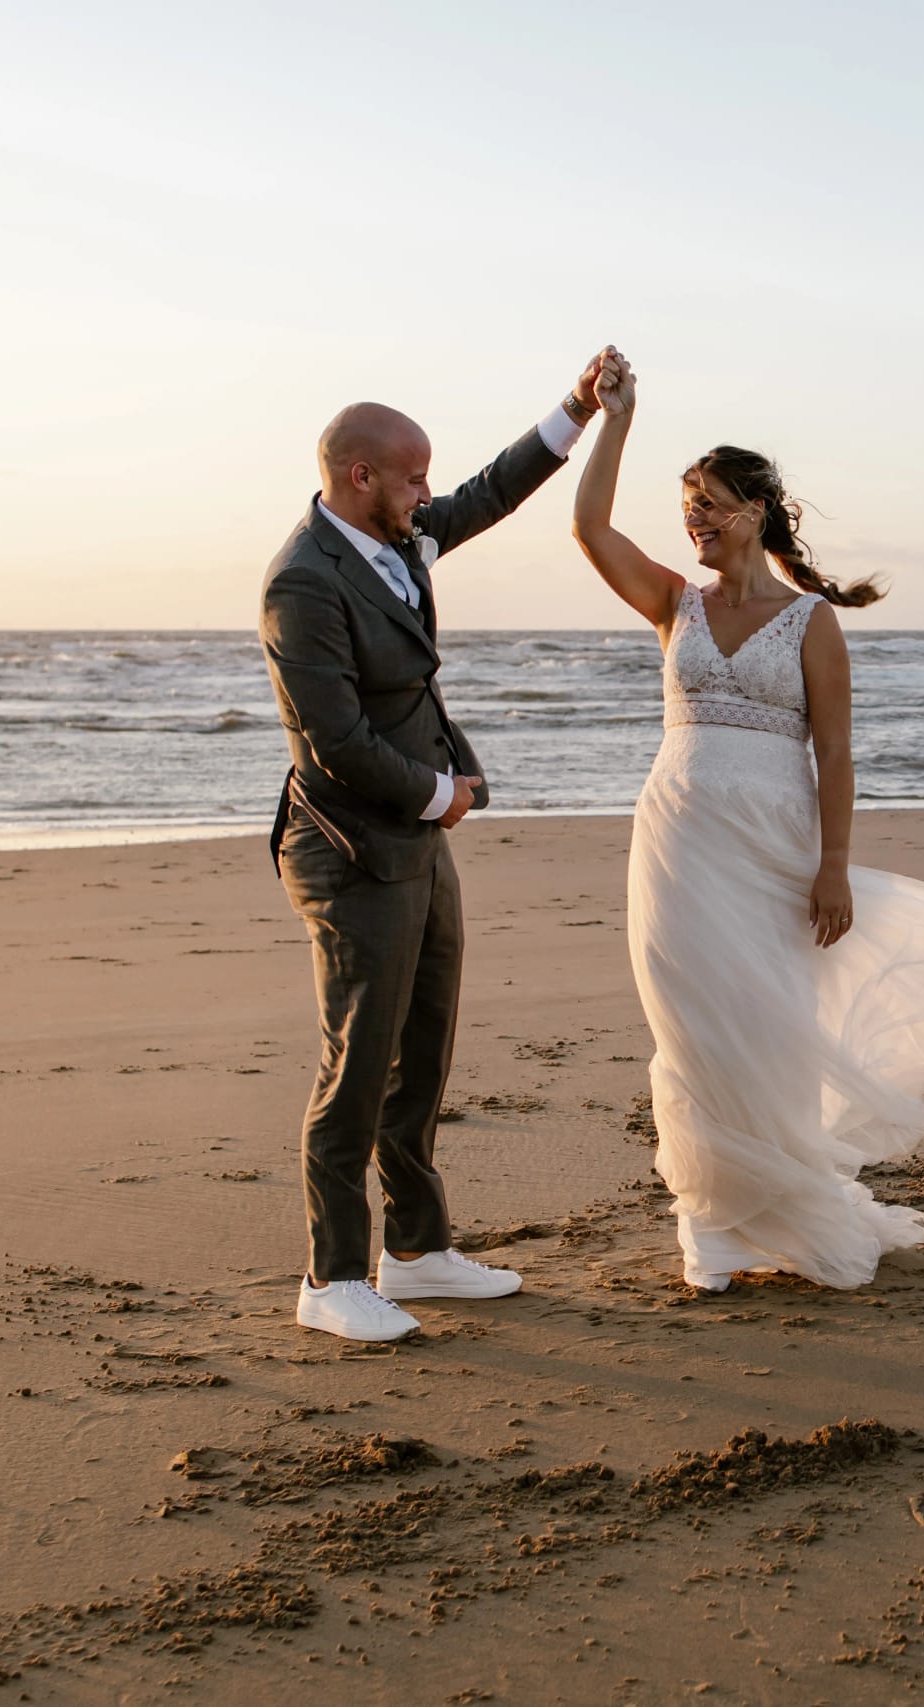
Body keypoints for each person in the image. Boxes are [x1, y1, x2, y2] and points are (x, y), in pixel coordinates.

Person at [568, 349, 924, 1290]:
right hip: (677, 841)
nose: (696, 518)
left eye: (712, 502)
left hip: (776, 850)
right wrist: (614, 419)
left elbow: (835, 754)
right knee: (689, 1024)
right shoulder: (671, 604)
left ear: (755, 512)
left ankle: (764, 1202)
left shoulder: (811, 621)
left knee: (765, 1024)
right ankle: (709, 1222)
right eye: (688, 505)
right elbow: (587, 524)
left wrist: (835, 866)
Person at [260, 353, 609, 1342]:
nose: (429, 492)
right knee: (356, 1060)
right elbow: (334, 739)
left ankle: (414, 1252)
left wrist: (575, 409)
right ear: (359, 477)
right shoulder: (302, 582)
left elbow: (492, 492)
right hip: (348, 848)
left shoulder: (400, 539)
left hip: (416, 835)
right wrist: (438, 794)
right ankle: (331, 1278)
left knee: (423, 1046)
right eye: (413, 477)